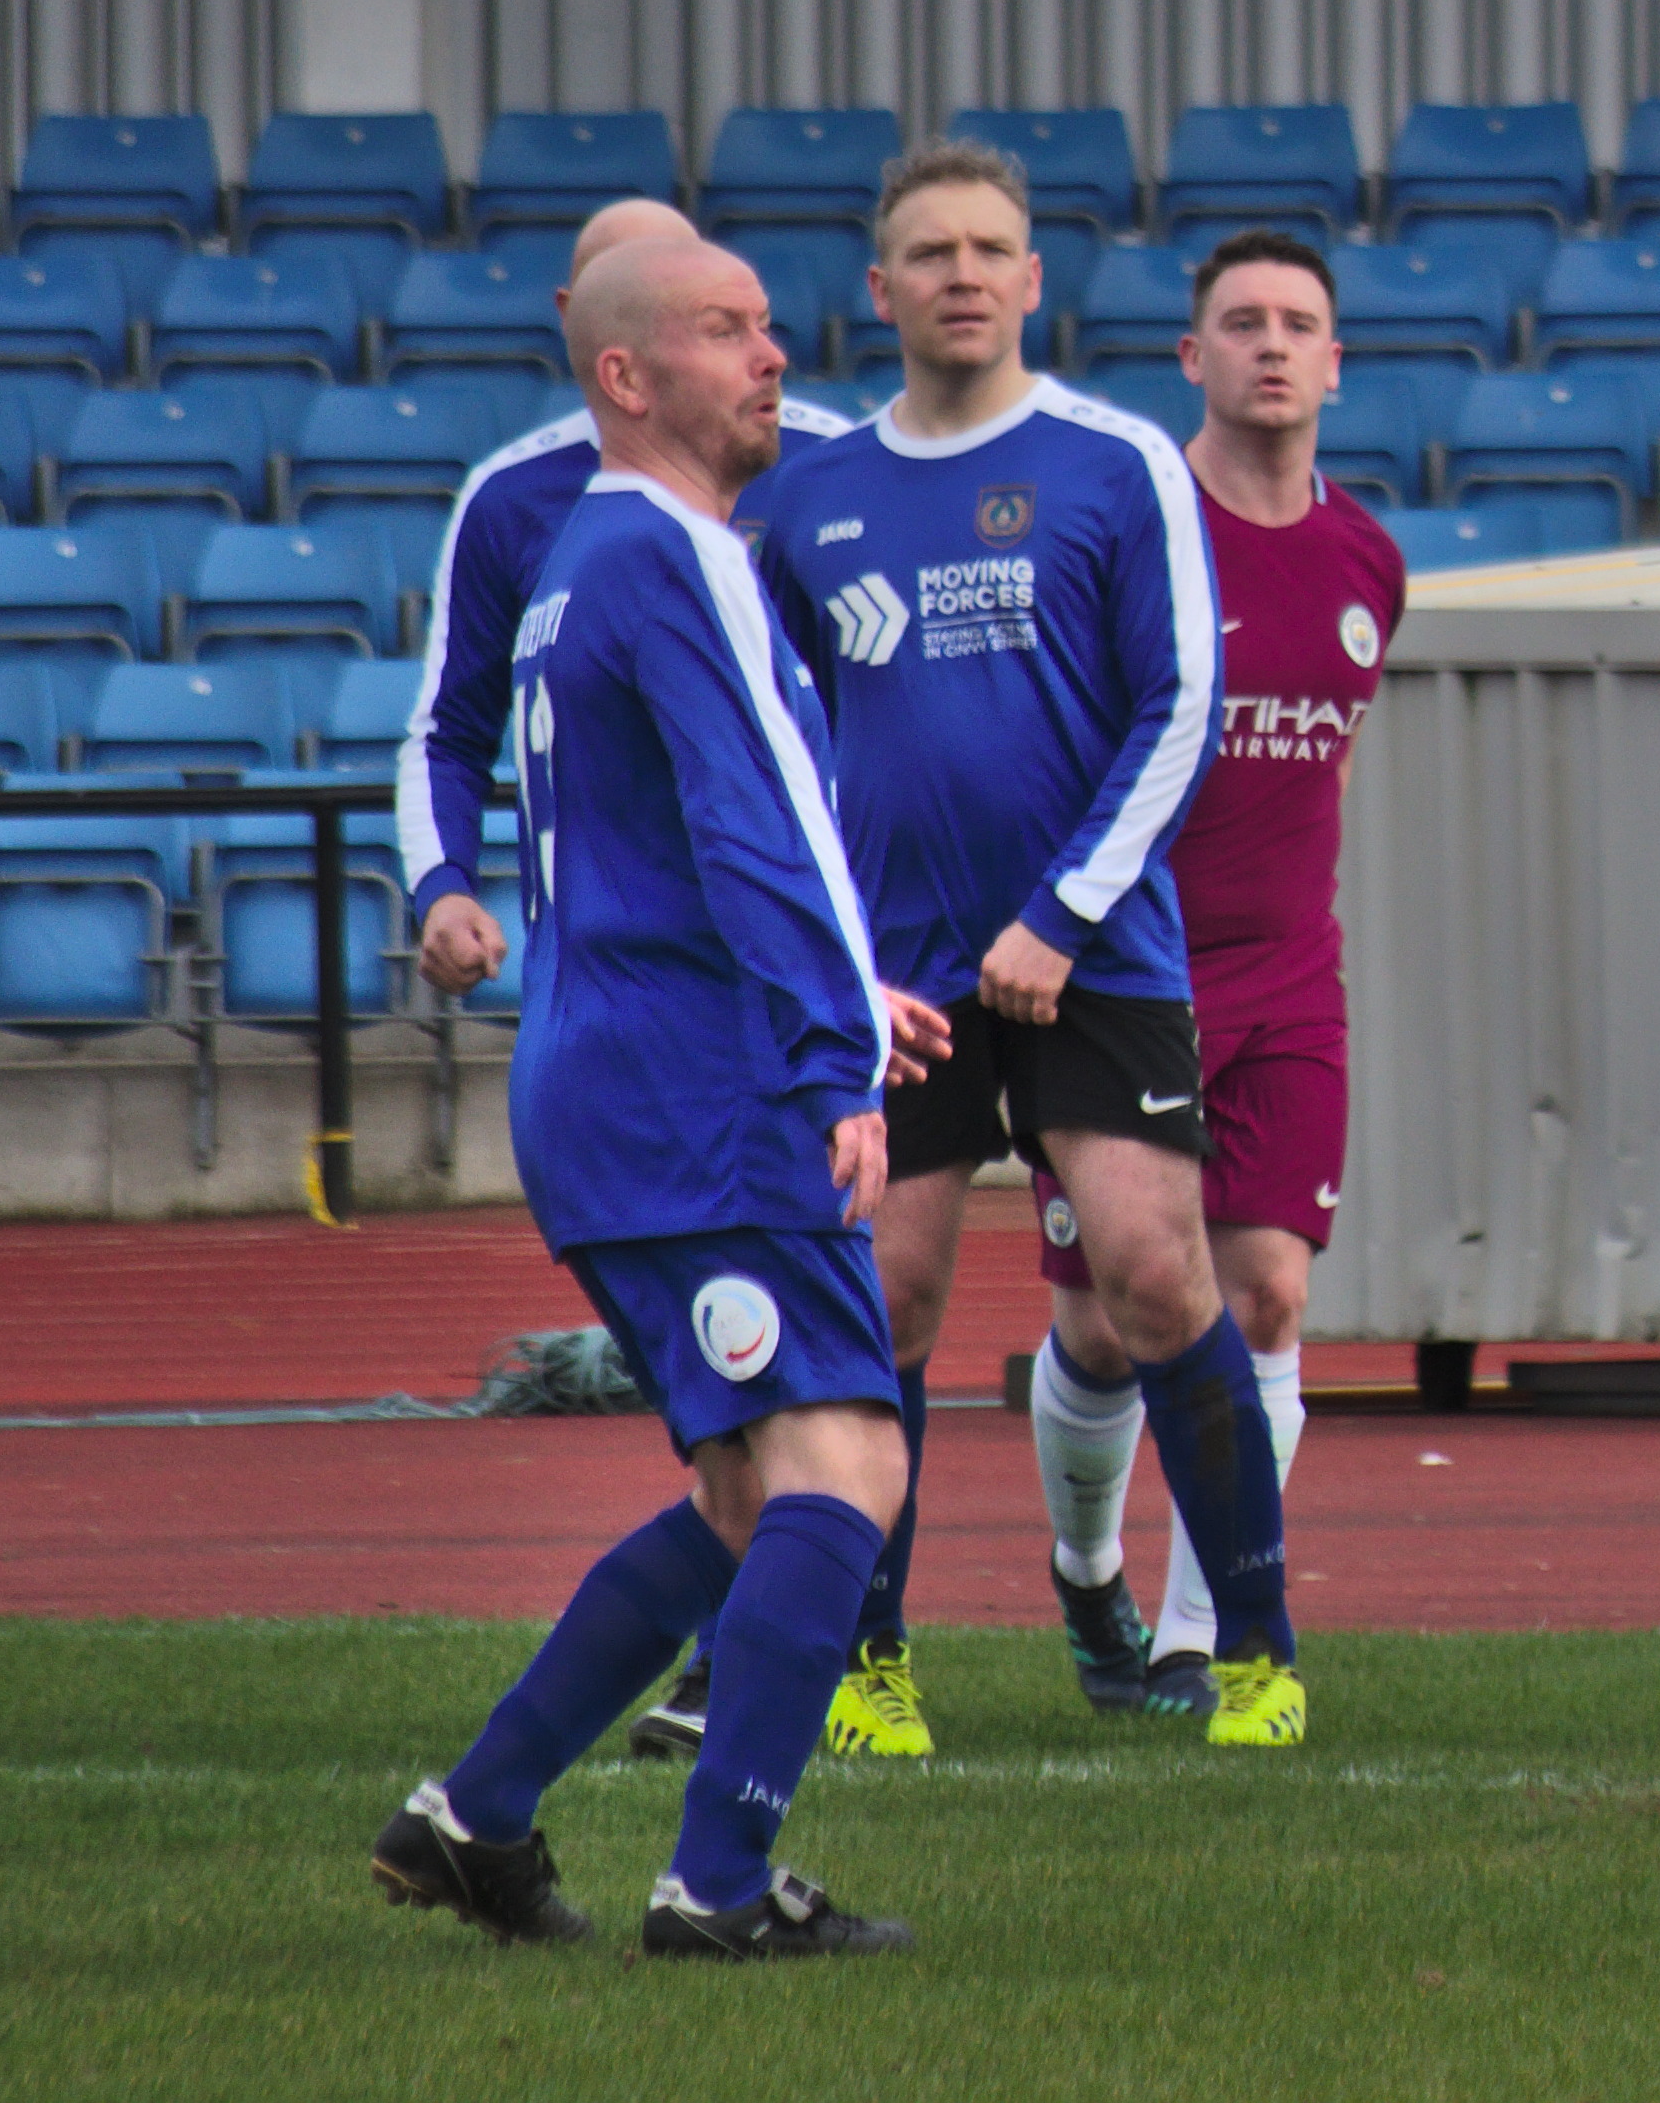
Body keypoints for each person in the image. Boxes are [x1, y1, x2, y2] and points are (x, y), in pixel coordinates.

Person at [367, 228, 941, 1959]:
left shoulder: (598, 556)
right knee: (845, 1459)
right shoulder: (664, 549)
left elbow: (685, 840)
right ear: (625, 375)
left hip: (626, 1067)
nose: (773, 355)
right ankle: (719, 1883)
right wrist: (833, 1040)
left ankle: (476, 1815)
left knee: (752, 1495)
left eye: (768, 325)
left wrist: (846, 987)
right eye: (724, 330)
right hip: (699, 1094)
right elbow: (753, 815)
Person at [757, 139, 1304, 1755]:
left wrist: (1059, 916)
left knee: (1156, 1273)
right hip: (903, 978)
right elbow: (778, 741)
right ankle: (869, 1667)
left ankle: (1258, 1651)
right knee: (891, 1303)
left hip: (1097, 954)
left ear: (1033, 279)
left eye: (990, 248)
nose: (963, 274)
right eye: (930, 252)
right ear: (884, 288)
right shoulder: (813, 499)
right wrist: (836, 957)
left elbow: (1181, 701)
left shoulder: (1114, 461)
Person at [1027, 228, 1405, 1718]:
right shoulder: (1131, 531)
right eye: (1237, 322)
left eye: (1294, 323)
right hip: (1134, 983)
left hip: (1291, 982)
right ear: (1192, 358)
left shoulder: (1369, 556)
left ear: (1332, 361)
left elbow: (1334, 768)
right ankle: (1083, 1574)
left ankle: (1199, 1636)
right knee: (1108, 1324)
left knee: (1263, 1302)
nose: (1268, 344)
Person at [400, 195, 860, 1003]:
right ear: (580, 320)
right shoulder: (510, 496)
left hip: (816, 938)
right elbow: (449, 731)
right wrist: (443, 885)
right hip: (614, 969)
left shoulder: (831, 462)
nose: (765, 355)